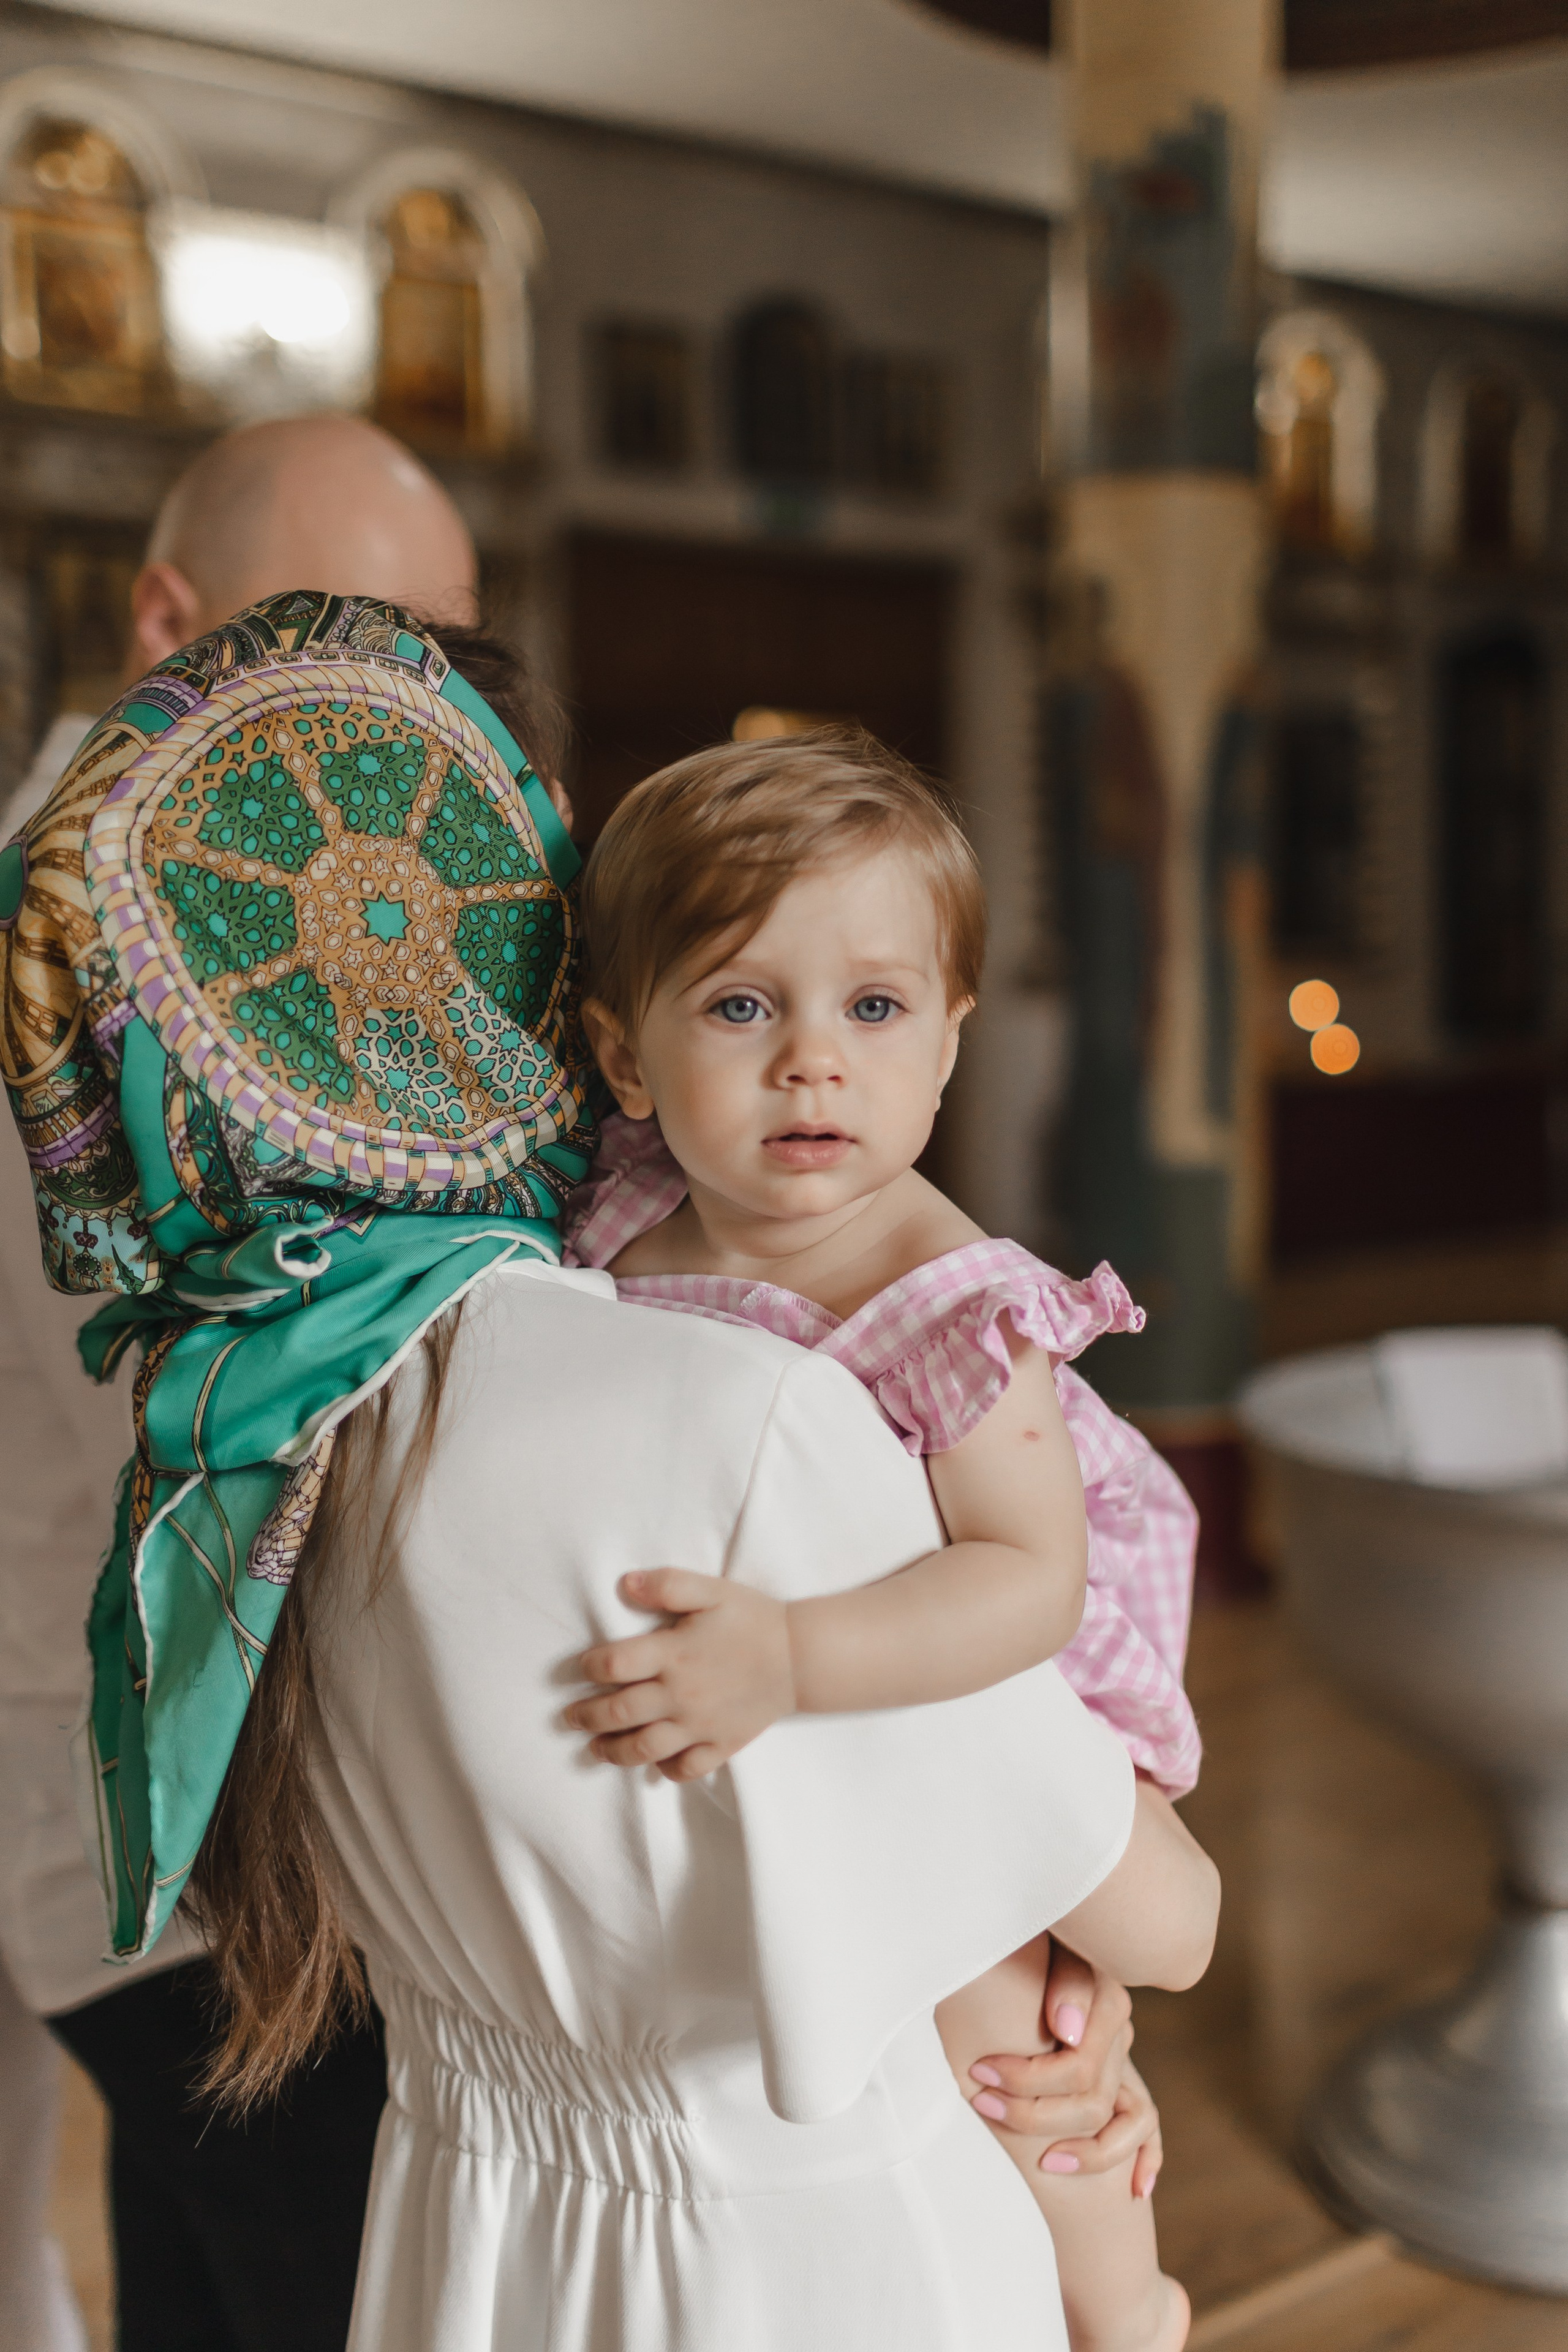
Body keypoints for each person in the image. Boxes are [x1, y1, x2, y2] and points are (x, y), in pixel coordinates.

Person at [564, 729, 1202, 2352]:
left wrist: (791, 1656)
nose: (810, 1063)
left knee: (1016, 2006)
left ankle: (1126, 2303)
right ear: (625, 1058)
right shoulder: (623, 1214)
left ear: (946, 1046)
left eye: (872, 1007)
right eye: (737, 1005)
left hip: (1007, 1649)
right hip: (828, 1689)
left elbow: (1025, 1576)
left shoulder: (948, 1300)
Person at [0, 415, 478, 2352]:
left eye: (436, 662)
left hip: (174, 1862)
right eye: (338, 640)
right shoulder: (108, 958)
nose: (396, 718)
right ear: (164, 620)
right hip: (183, 1845)